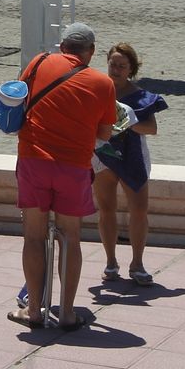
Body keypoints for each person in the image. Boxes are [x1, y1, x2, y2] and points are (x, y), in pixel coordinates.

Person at [9, 22, 117, 331]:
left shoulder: (39, 62)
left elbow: (21, 100)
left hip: (33, 159)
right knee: (71, 236)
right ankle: (67, 313)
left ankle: (32, 310)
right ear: (91, 52)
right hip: (73, 166)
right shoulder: (102, 83)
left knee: (33, 235)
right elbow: (105, 133)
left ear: (62, 45)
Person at [93, 42, 168, 286]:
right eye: (112, 64)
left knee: (138, 210)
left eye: (121, 66)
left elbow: (152, 128)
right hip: (103, 154)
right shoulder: (97, 90)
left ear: (131, 69)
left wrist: (128, 122)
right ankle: (111, 262)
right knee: (106, 209)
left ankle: (137, 263)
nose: (115, 69)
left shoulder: (141, 96)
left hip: (133, 155)